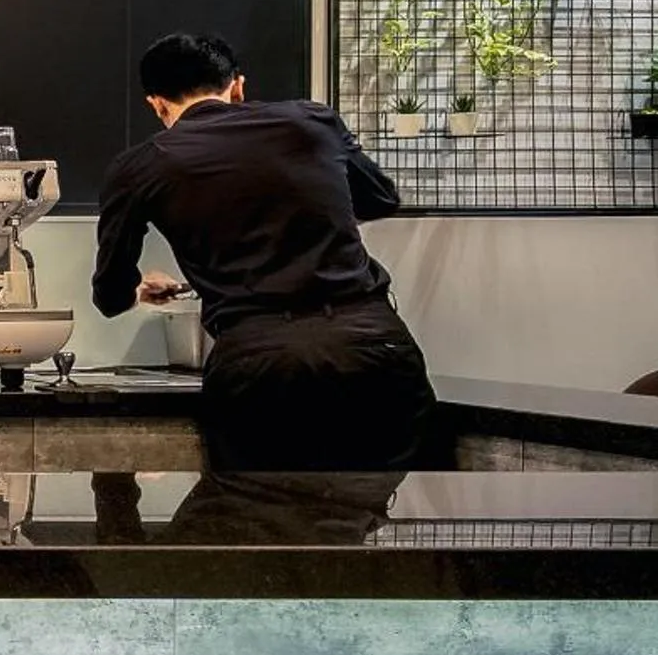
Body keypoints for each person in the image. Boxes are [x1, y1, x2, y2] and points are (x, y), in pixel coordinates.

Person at [92, 34, 434, 471]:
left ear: (156, 105)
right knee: (373, 509)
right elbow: (380, 199)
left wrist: (138, 289)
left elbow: (109, 296)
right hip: (372, 343)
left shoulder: (139, 166)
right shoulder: (311, 121)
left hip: (261, 363)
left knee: (260, 518)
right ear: (237, 86)